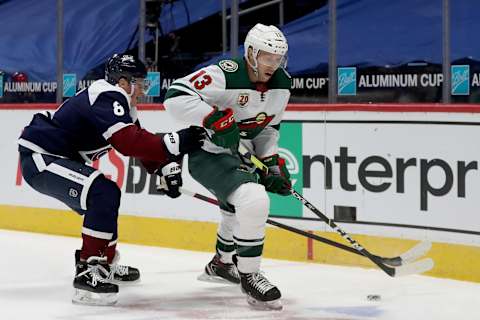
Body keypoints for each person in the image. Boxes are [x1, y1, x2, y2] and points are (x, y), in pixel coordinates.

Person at [18, 54, 205, 306]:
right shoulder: (107, 94)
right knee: (103, 192)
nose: (143, 89)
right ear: (123, 82)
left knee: (105, 195)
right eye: (139, 82)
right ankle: (88, 270)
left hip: (58, 157)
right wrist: (177, 141)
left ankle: (102, 263)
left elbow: (139, 142)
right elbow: (127, 142)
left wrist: (163, 169)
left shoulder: (121, 102)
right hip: (41, 157)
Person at [163, 23, 291, 310]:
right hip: (206, 153)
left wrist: (270, 163)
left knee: (237, 206)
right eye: (268, 57)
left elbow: (269, 129)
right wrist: (212, 118)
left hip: (239, 156)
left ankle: (222, 263)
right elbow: (174, 98)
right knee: (254, 199)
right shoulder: (225, 73)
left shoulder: (282, 84)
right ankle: (250, 275)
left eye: (278, 58)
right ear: (251, 54)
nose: (274, 64)